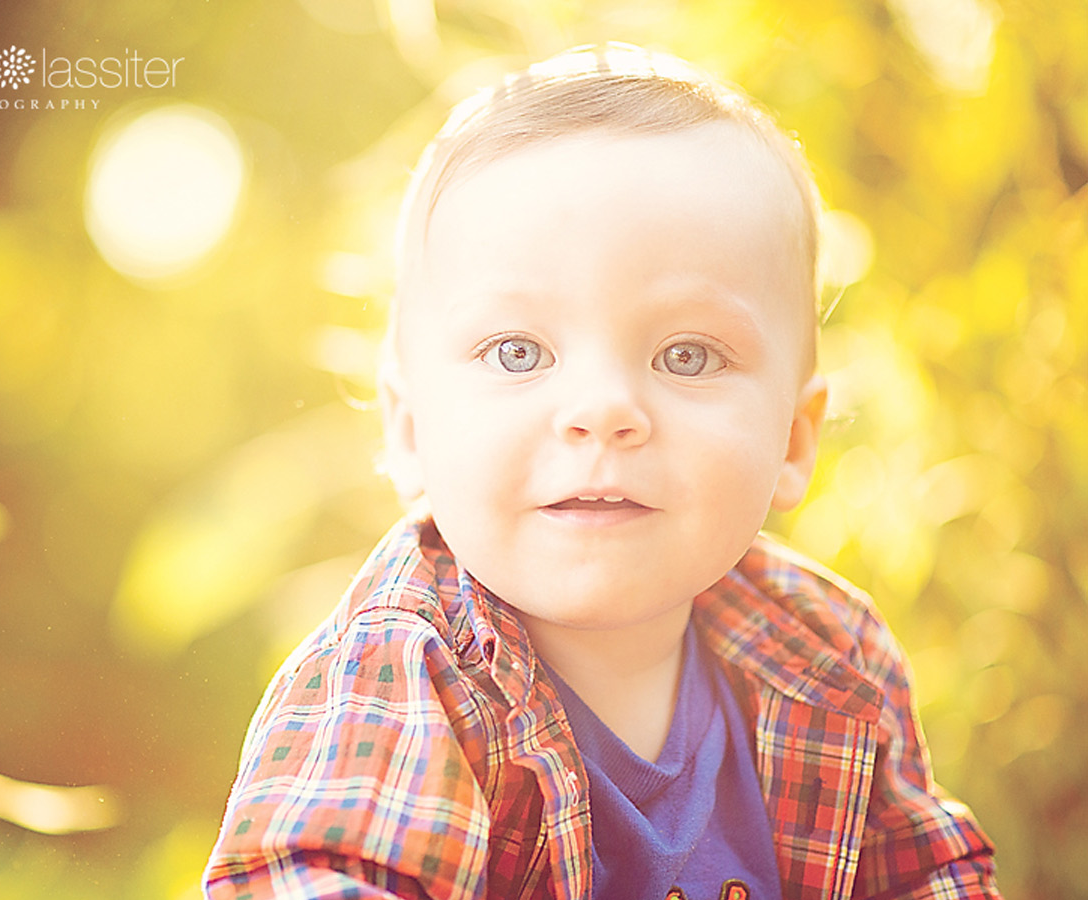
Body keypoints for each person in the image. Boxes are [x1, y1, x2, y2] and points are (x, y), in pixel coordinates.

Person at [204, 44, 996, 898]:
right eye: (516, 351)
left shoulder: (829, 653)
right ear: (408, 431)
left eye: (686, 354)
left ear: (793, 444)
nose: (602, 407)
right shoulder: (404, 669)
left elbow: (929, 879)